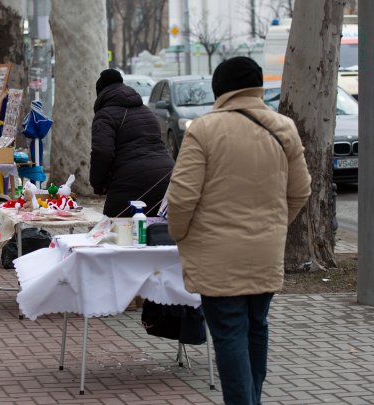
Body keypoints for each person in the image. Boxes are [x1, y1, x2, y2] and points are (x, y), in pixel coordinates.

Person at [166, 57, 311, 405]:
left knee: (230, 333)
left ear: (221, 89)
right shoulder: (284, 128)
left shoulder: (203, 129)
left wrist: (179, 234)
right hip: (265, 253)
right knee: (256, 326)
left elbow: (182, 197)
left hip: (216, 258)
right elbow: (301, 190)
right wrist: (274, 227)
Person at [90, 68, 174, 217]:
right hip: (167, 176)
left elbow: (102, 152)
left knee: (113, 230)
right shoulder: (146, 111)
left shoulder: (105, 115)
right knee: (156, 231)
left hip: (130, 182)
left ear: (101, 93)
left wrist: (98, 184)